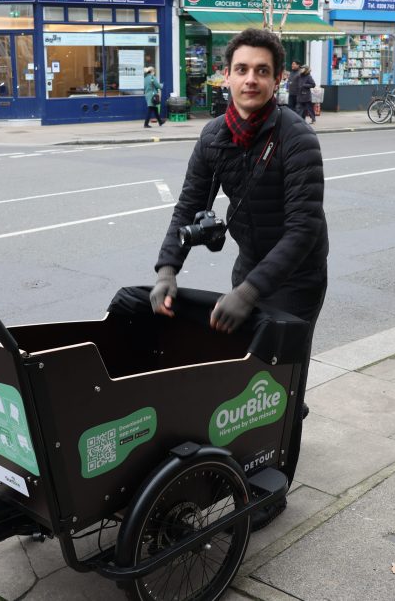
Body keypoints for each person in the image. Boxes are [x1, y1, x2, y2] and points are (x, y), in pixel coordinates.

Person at [150, 28, 328, 530]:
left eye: (262, 71)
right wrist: (167, 270)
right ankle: (260, 439)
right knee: (247, 375)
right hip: (250, 262)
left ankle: (274, 485)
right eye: (242, 69)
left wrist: (247, 294)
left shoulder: (297, 138)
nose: (251, 79)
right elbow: (190, 204)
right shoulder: (215, 136)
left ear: (277, 79)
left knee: (282, 383)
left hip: (298, 274)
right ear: (225, 76)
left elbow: (302, 230)